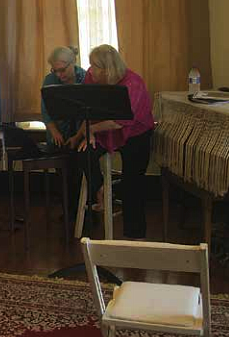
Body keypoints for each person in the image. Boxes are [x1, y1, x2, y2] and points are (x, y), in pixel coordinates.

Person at [70, 44, 154, 240]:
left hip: (135, 132)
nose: (90, 70)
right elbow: (85, 107)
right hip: (102, 128)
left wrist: (91, 130)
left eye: (95, 66)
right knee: (83, 153)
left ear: (108, 69)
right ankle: (100, 192)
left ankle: (135, 235)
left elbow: (120, 121)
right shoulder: (92, 77)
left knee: (133, 183)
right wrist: (88, 132)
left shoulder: (133, 83)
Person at [41, 46, 86, 148]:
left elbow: (89, 114)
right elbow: (45, 112)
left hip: (81, 134)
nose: (58, 75)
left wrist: (77, 137)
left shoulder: (85, 78)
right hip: (57, 135)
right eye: (55, 70)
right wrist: (55, 133)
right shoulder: (49, 81)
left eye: (62, 70)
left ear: (73, 62)